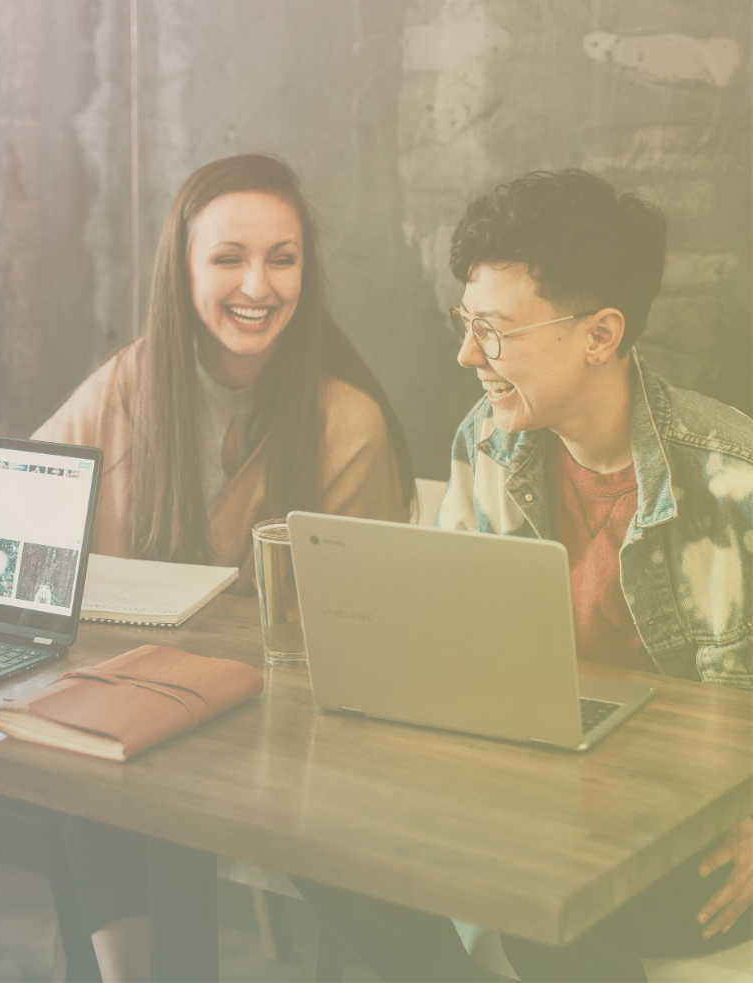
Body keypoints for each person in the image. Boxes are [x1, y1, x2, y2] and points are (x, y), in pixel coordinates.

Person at [297, 168, 753, 982]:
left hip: (699, 831)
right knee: (319, 839)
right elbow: (446, 649)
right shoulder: (488, 443)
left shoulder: (732, 475)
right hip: (536, 797)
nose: (467, 353)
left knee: (554, 903)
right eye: (465, 323)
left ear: (600, 334)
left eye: (495, 330)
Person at [33, 153, 416, 982]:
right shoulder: (131, 381)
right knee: (78, 760)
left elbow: (354, 635)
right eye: (229, 257)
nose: (259, 284)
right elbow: (30, 503)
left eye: (283, 258)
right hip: (137, 713)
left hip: (283, 737)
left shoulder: (345, 421)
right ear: (182, 268)